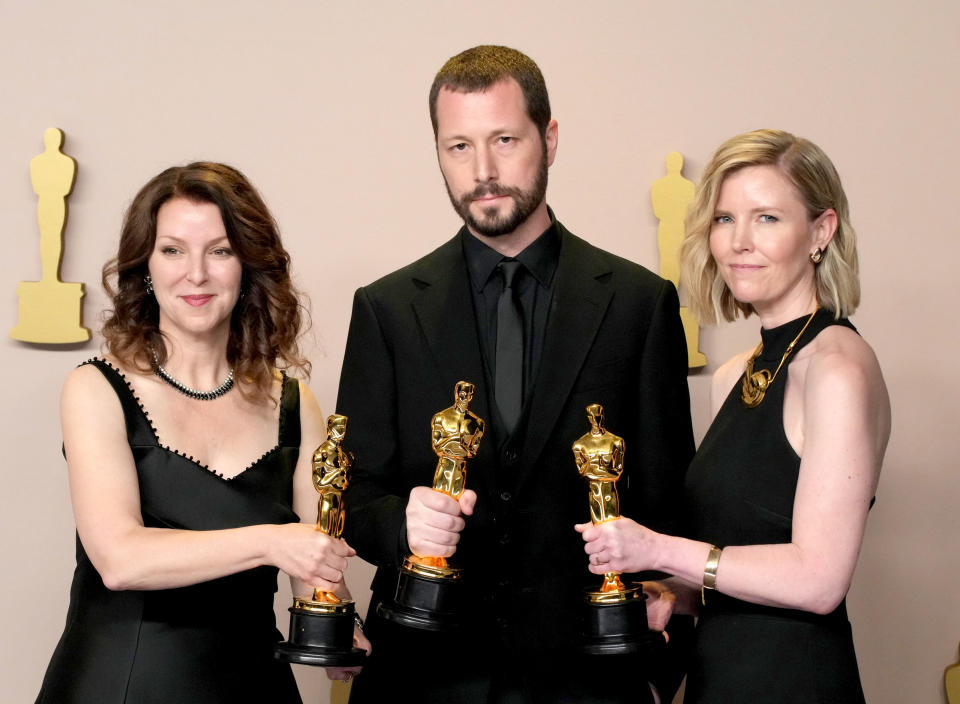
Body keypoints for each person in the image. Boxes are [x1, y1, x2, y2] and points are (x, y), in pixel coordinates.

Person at [337, 46, 695, 703]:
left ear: (549, 138)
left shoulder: (640, 305)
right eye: (458, 147)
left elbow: (669, 499)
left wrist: (665, 617)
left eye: (504, 140)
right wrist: (401, 526)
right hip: (422, 678)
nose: (484, 172)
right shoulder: (385, 309)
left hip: (589, 678)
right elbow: (353, 491)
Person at [36, 162, 370, 703]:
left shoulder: (295, 404)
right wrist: (272, 542)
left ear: (247, 267)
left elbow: (314, 563)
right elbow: (120, 560)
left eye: (219, 250)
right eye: (172, 250)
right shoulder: (95, 390)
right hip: (119, 686)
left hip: (255, 687)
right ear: (146, 266)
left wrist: (338, 626)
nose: (196, 274)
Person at [577, 129, 891, 703]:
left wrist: (657, 550)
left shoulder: (838, 368)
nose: (739, 242)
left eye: (767, 218)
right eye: (724, 219)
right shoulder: (733, 375)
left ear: (821, 231)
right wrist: (673, 592)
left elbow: (819, 580)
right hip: (717, 681)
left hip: (799, 684)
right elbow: (742, 565)